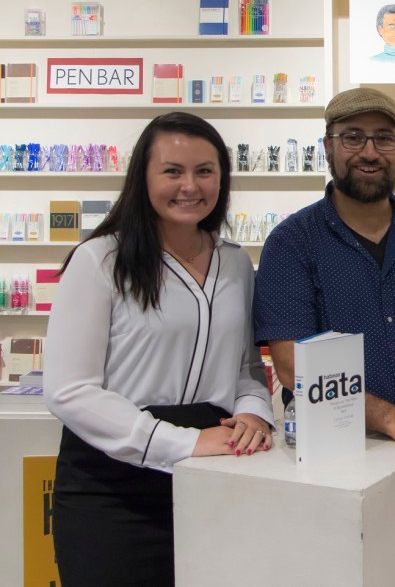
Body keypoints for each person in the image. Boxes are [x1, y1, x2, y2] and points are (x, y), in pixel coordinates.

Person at [253, 87, 395, 586]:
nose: (370, 152)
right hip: (333, 468)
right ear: (328, 147)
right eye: (353, 137)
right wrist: (393, 420)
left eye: (384, 138)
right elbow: (292, 364)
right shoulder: (291, 243)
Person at [43, 112, 275, 587]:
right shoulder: (100, 261)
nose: (190, 186)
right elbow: (69, 391)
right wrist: (184, 442)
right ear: (142, 177)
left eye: (204, 171)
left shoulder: (235, 263)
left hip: (214, 478)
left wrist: (254, 413)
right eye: (172, 171)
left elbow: (246, 367)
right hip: (112, 486)